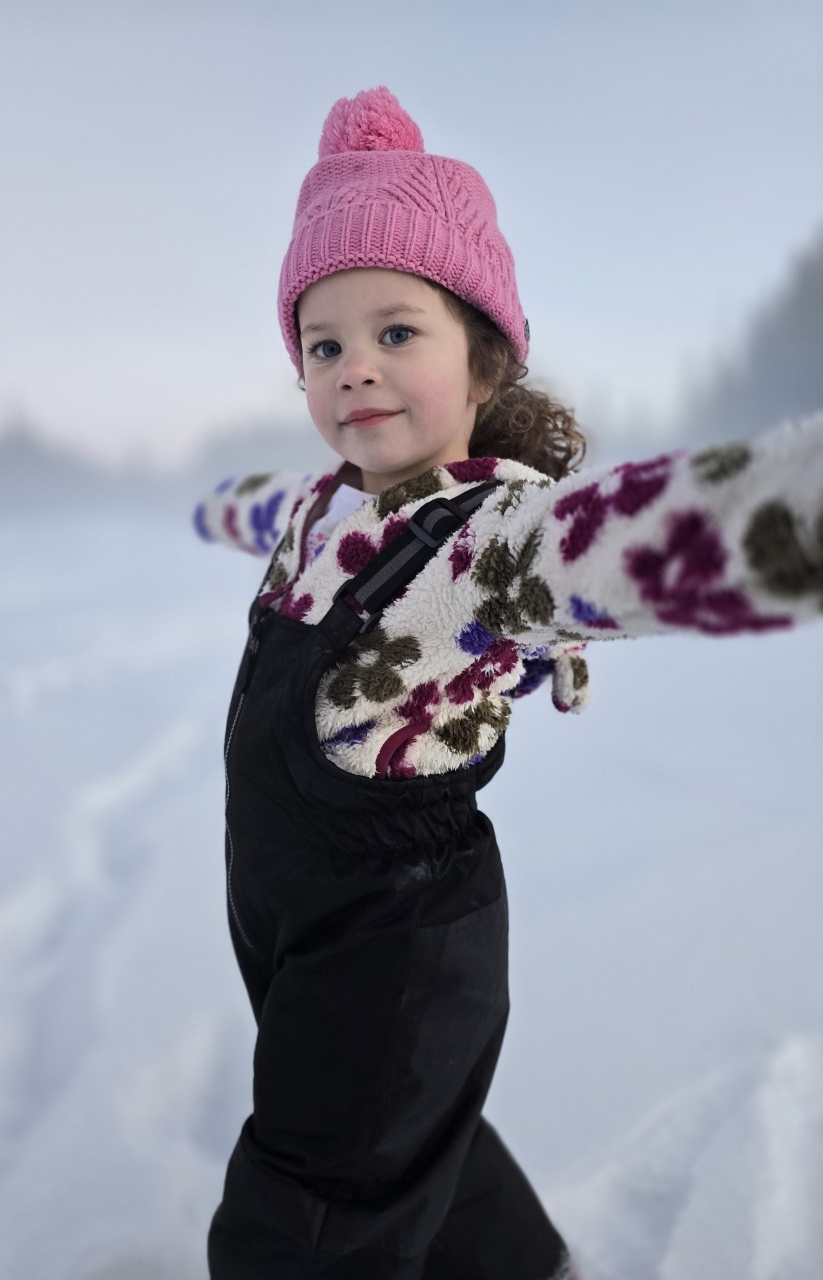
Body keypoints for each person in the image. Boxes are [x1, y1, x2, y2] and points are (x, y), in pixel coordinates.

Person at [194, 86, 822, 1280]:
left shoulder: (490, 546)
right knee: (409, 1129)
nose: (354, 371)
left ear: (483, 355)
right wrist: (208, 508)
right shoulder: (329, 501)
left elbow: (652, 533)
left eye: (397, 331)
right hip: (295, 925)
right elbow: (258, 506)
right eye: (322, 345)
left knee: (311, 1210)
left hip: (396, 941)